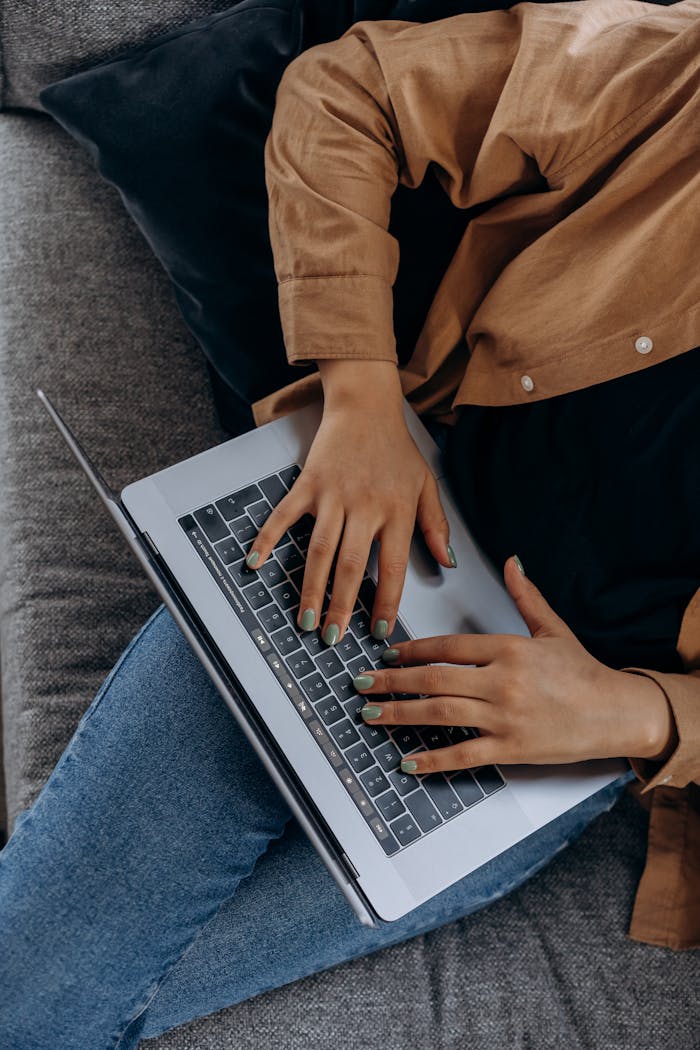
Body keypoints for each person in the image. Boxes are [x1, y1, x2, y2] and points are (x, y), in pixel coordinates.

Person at [1, 1, 698, 1047]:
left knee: (48, 996)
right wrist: (363, 397)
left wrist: (645, 717)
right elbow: (347, 90)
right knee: (36, 996)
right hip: (371, 548)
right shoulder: (666, 71)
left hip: (555, 744)